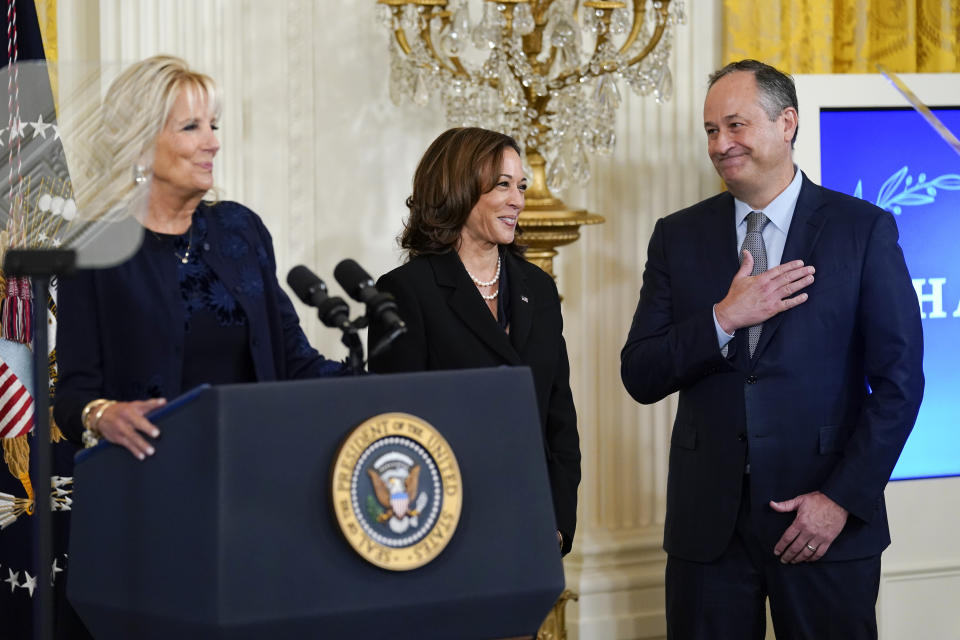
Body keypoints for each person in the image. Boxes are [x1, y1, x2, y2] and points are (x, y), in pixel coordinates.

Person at [620, 60, 924, 639]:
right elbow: (640, 372)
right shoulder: (676, 235)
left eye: (735, 125)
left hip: (824, 521)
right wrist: (723, 318)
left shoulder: (862, 230)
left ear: (787, 122)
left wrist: (839, 499)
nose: (720, 144)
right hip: (707, 531)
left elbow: (900, 382)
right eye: (711, 130)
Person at [54, 55, 344, 460]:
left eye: (213, 126)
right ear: (140, 146)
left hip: (252, 470)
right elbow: (73, 396)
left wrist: (374, 378)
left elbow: (293, 362)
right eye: (192, 127)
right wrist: (101, 414)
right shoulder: (94, 249)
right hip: (149, 482)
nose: (213, 142)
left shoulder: (239, 229)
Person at [368, 127, 581, 555]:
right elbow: (398, 428)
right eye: (502, 185)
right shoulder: (405, 291)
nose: (517, 200)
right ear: (458, 189)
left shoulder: (537, 288)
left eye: (520, 186)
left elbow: (559, 418)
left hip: (530, 521)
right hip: (446, 527)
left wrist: (558, 523)